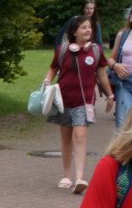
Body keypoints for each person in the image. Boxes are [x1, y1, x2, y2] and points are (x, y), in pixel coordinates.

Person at [42, 16, 115, 194]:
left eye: (89, 27)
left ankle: (80, 178)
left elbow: (102, 75)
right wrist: (47, 81)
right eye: (83, 27)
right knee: (66, 138)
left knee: (80, 136)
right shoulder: (63, 50)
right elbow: (53, 68)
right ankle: (67, 175)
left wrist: (110, 95)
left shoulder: (96, 51)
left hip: (85, 101)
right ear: (74, 32)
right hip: (63, 100)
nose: (88, 30)